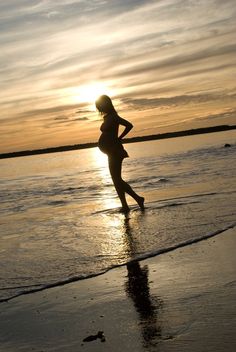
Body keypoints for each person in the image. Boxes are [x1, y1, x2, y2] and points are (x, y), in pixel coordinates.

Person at [96, 95, 144, 213]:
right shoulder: (107, 117)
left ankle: (137, 198)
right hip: (110, 152)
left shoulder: (113, 117)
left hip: (115, 151)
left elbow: (129, 125)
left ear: (105, 105)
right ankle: (125, 205)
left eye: (100, 106)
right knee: (116, 179)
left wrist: (119, 138)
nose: (99, 109)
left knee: (117, 179)